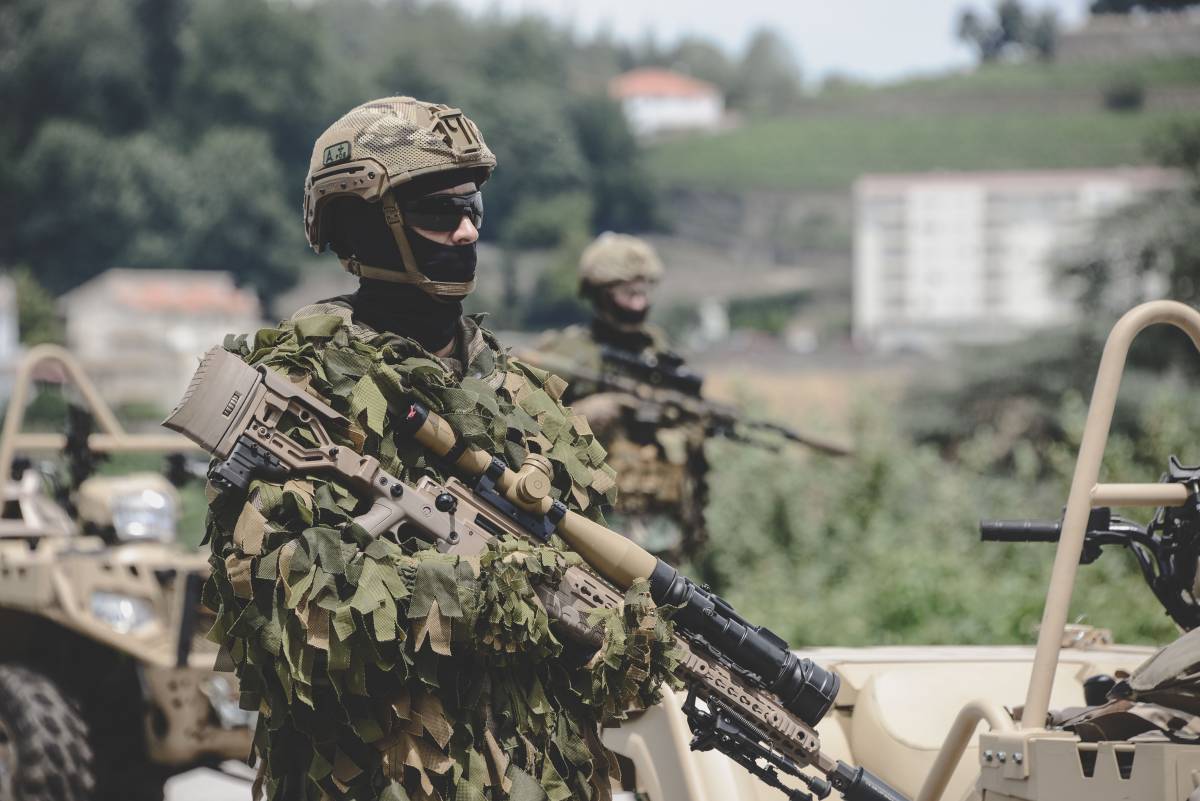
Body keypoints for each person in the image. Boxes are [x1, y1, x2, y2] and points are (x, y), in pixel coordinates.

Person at [199, 97, 677, 801]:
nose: (463, 230)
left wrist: (622, 640)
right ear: (364, 221)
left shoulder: (529, 399)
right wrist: (479, 598)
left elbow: (589, 633)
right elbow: (279, 624)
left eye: (473, 208)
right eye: (435, 210)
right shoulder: (295, 394)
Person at [527, 234, 709, 561]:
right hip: (591, 524)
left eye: (644, 292)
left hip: (660, 527)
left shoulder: (661, 358)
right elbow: (527, 426)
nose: (639, 303)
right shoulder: (565, 355)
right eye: (628, 293)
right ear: (600, 294)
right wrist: (587, 414)